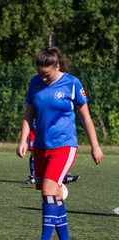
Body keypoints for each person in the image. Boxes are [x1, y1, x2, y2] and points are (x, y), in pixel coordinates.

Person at [16, 47, 103, 240]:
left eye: (47, 75)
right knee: (53, 195)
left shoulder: (72, 84)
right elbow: (29, 114)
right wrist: (23, 140)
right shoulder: (34, 82)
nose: (43, 79)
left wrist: (94, 145)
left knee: (48, 191)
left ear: (57, 66)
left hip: (64, 146)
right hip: (40, 147)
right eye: (40, 74)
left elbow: (86, 118)